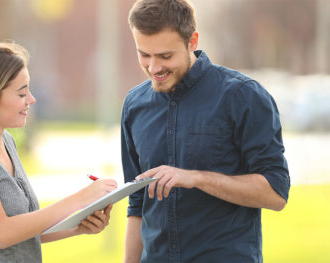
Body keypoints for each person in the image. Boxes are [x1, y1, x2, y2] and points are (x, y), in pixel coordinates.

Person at [120, 0, 290, 262]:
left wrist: (196, 178)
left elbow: (276, 193)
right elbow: (138, 204)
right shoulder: (134, 106)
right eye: (144, 55)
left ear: (192, 41)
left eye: (165, 56)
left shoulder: (242, 96)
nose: (154, 68)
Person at [0, 42, 117, 263]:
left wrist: (79, 226)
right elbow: (2, 234)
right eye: (22, 93)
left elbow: (23, 232)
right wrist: (80, 198)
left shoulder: (6, 142)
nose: (32, 99)